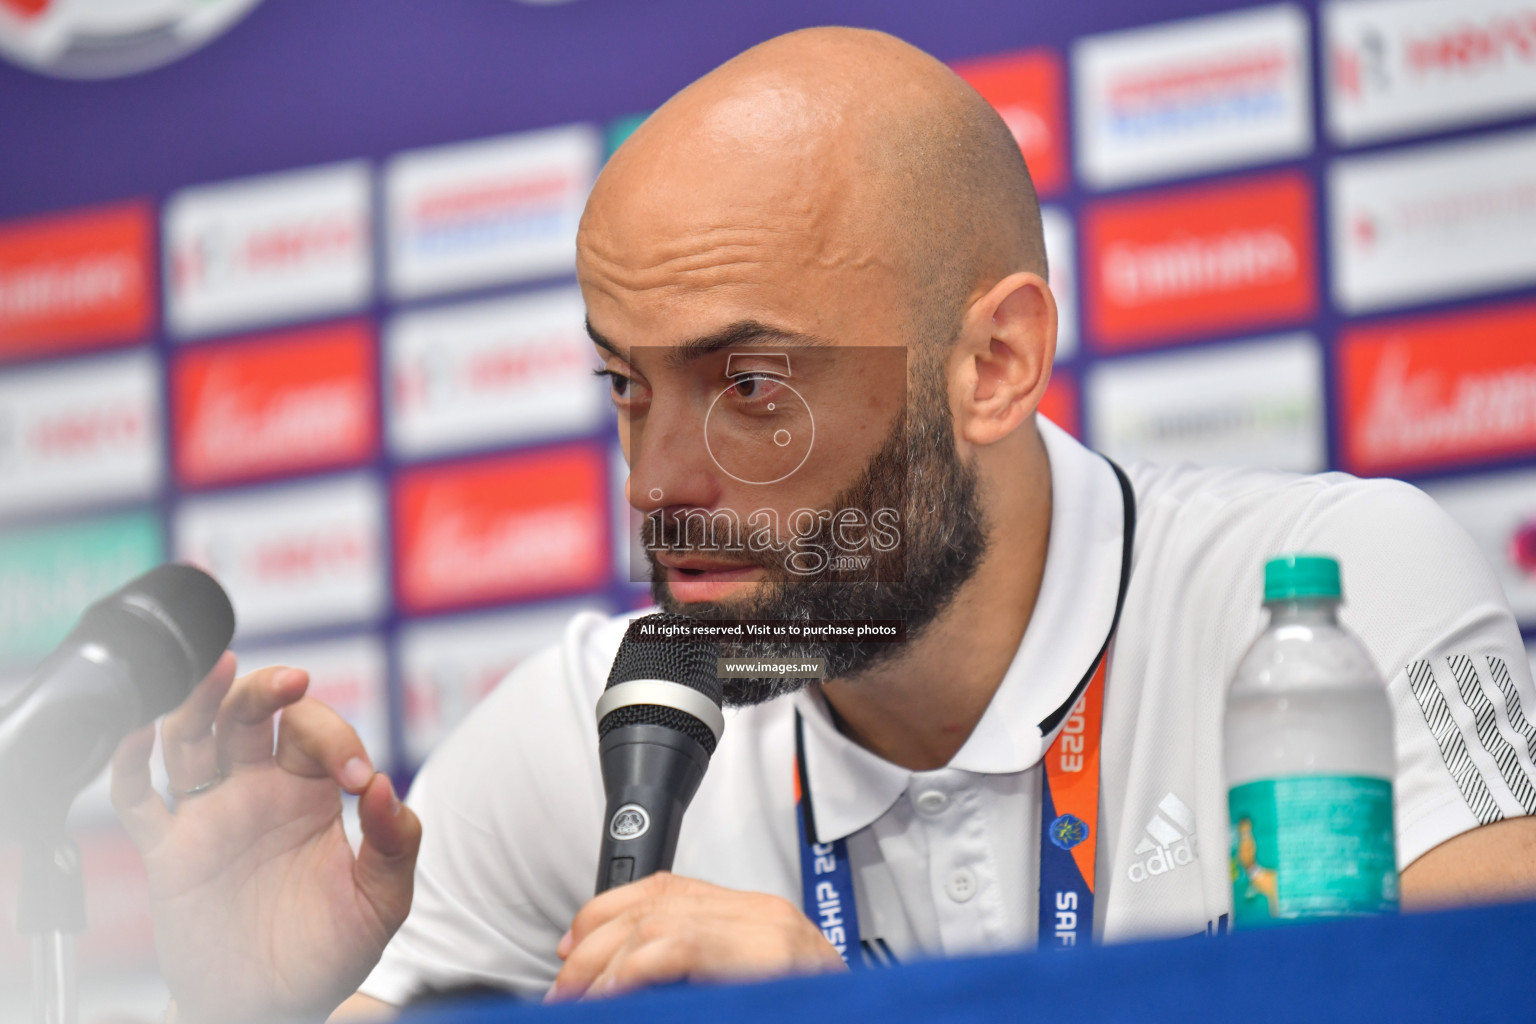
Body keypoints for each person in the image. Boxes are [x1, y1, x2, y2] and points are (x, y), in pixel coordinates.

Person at [109, 27, 1536, 1024]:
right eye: (625, 386)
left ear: (993, 365)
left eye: (750, 385)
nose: (659, 481)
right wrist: (244, 1009)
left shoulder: (1324, 605)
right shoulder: (592, 729)